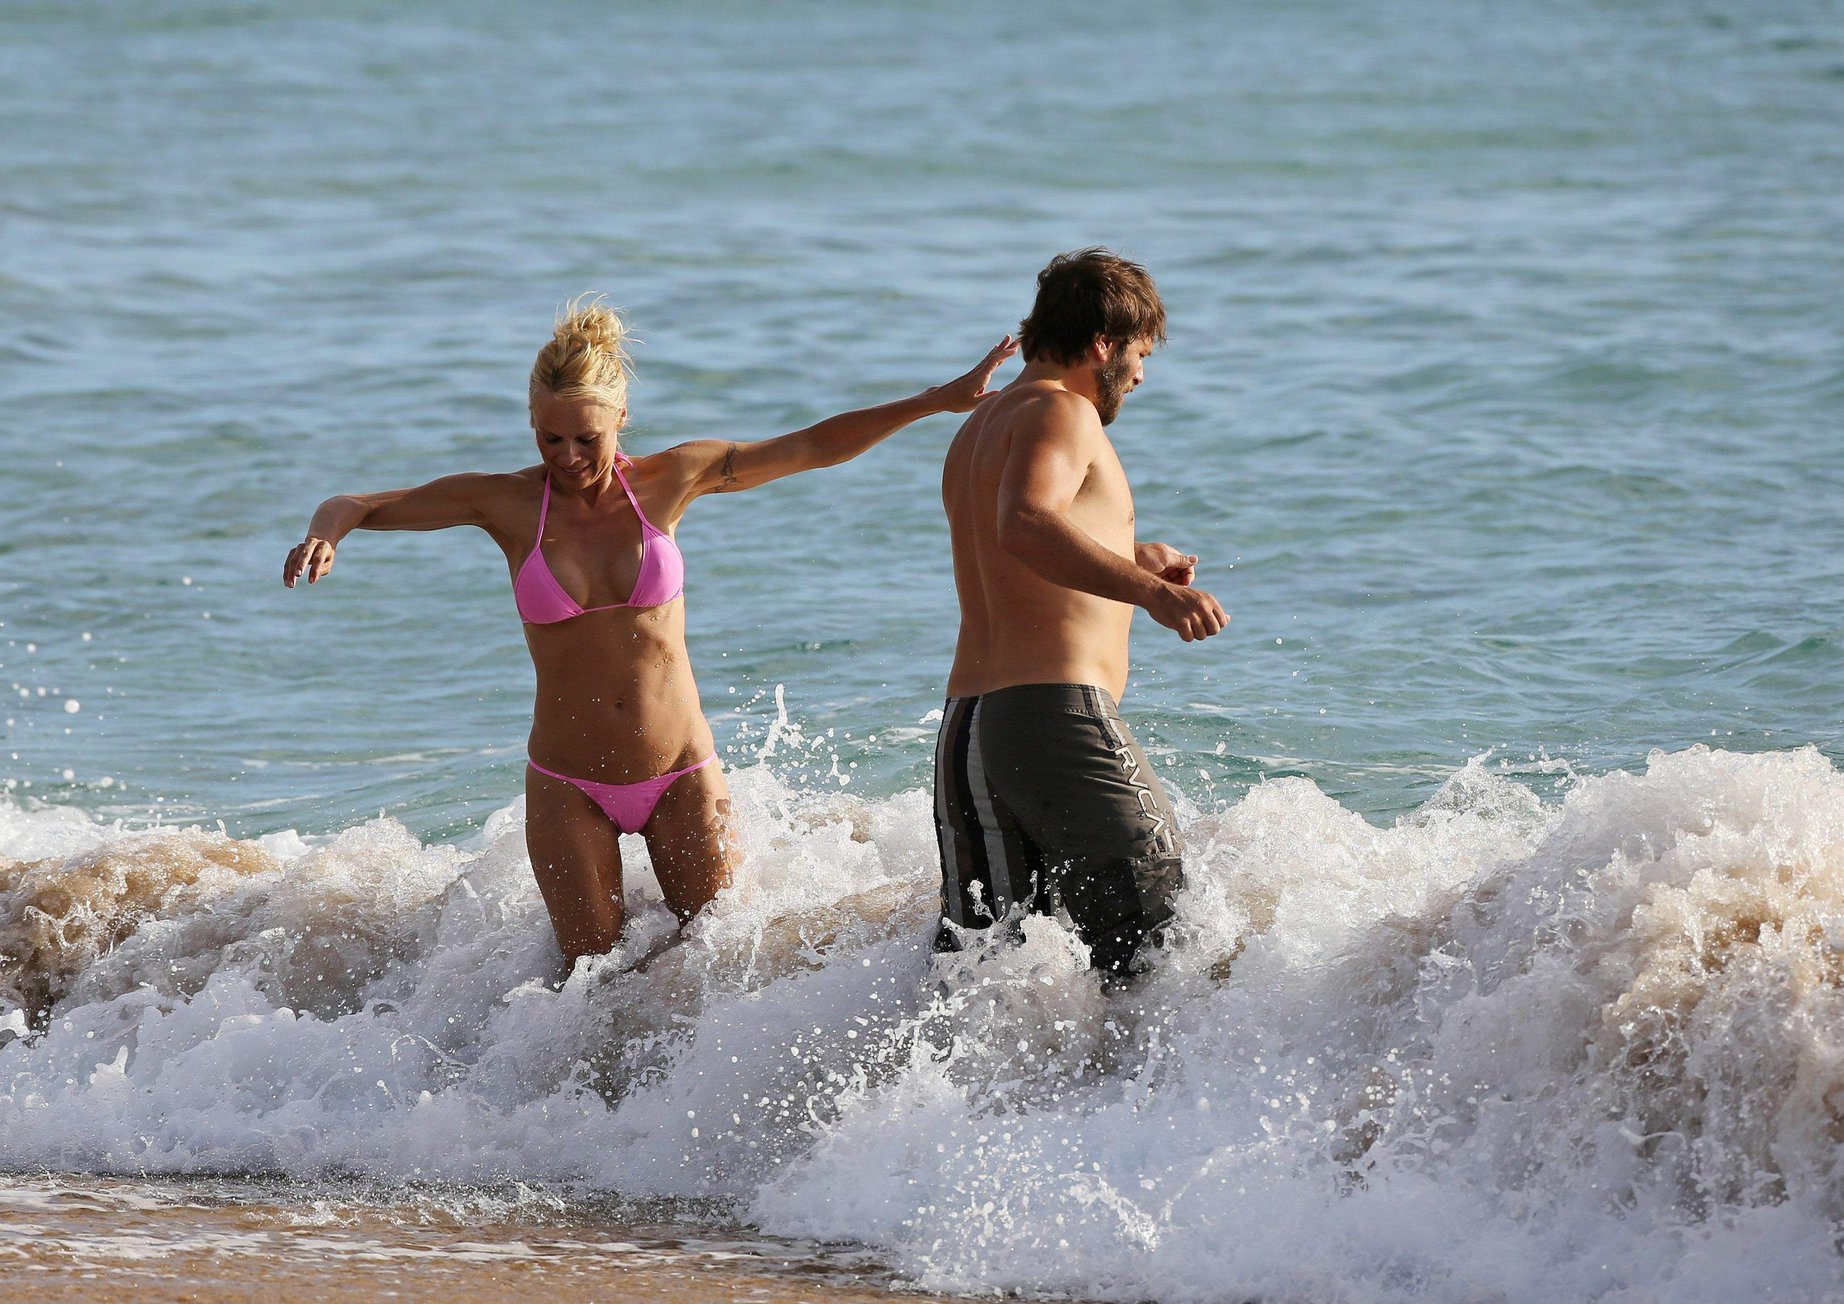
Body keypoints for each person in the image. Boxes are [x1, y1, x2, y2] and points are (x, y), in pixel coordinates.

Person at [285, 298, 1017, 969]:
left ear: (622, 415)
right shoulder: (507, 505)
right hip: (568, 787)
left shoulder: (672, 480)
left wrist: (936, 402)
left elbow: (812, 446)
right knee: (587, 989)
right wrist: (326, 535)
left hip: (681, 776)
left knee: (716, 968)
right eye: (549, 438)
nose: (567, 457)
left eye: (585, 438)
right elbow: (356, 501)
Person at [934, 249, 1229, 977]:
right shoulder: (1061, 410)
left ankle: (965, 1100)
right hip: (1054, 722)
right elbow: (1027, 523)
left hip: (973, 730)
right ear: (1102, 345)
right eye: (1139, 353)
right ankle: (1178, 1096)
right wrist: (1154, 594)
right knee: (1171, 944)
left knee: (988, 979)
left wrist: (1135, 555)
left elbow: (1017, 549)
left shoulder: (979, 429)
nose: (1141, 373)